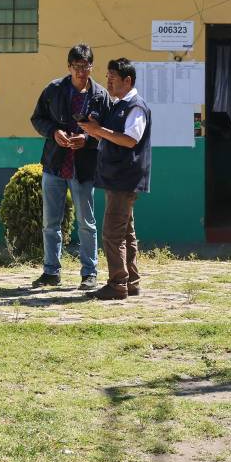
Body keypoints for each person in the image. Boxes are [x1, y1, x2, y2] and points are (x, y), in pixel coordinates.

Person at [29, 44, 111, 290]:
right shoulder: (54, 90)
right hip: (55, 165)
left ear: (91, 67)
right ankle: (51, 272)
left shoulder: (100, 95)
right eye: (76, 67)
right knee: (50, 223)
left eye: (85, 67)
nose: (81, 72)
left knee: (86, 222)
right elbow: (37, 119)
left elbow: (107, 129)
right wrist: (53, 132)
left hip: (83, 167)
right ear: (69, 67)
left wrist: (86, 139)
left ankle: (89, 273)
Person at [80, 58, 151, 301]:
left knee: (112, 233)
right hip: (117, 177)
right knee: (126, 233)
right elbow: (112, 138)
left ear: (127, 80)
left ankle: (117, 284)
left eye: (113, 77)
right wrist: (95, 129)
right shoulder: (119, 105)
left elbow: (130, 139)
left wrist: (98, 131)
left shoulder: (135, 107)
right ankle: (131, 281)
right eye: (107, 76)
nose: (108, 81)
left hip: (124, 178)